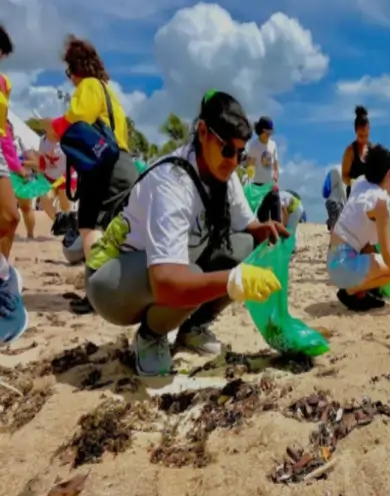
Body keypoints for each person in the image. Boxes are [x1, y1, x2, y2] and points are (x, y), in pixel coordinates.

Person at [85, 91, 288, 376]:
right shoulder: (172, 183)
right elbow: (168, 283)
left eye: (240, 154)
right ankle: (151, 337)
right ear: (203, 132)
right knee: (189, 273)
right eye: (227, 149)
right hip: (111, 283)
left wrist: (265, 230)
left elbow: (247, 226)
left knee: (245, 247)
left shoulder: (223, 175)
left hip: (164, 267)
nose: (232, 160)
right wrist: (234, 281)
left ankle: (192, 329)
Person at [43, 35, 140, 313]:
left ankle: (97, 295)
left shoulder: (87, 86)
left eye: (68, 71)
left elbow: (78, 117)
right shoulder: (109, 91)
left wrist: (54, 125)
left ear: (77, 68)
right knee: (116, 230)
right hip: (123, 163)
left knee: (89, 227)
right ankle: (120, 289)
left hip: (103, 167)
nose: (70, 78)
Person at [328, 145, 390, 311]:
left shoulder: (361, 183)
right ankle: (352, 289)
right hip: (343, 268)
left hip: (332, 262)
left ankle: (357, 289)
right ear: (389, 175)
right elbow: (388, 255)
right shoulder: (381, 202)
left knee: (375, 250)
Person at [0, 25, 28, 344]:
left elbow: (4, 128)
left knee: (9, 217)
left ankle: (3, 281)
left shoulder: (3, 83)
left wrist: (15, 165)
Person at [246, 116, 281, 223]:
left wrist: (276, 177)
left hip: (271, 186)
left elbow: (275, 164)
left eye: (270, 133)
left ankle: (277, 239)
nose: (269, 135)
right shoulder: (253, 145)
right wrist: (249, 180)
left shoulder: (273, 145)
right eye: (267, 132)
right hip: (258, 187)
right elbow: (250, 165)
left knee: (277, 219)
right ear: (261, 131)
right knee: (263, 219)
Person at [341, 106, 371, 198]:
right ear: (355, 132)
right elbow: (344, 176)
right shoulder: (350, 151)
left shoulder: (373, 149)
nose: (364, 139)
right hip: (354, 198)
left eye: (366, 135)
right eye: (360, 135)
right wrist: (354, 182)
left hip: (370, 197)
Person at [325, 167, 346, 231]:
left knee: (334, 222)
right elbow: (343, 190)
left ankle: (330, 224)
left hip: (330, 201)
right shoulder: (340, 173)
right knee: (336, 224)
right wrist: (346, 203)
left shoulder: (334, 173)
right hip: (335, 202)